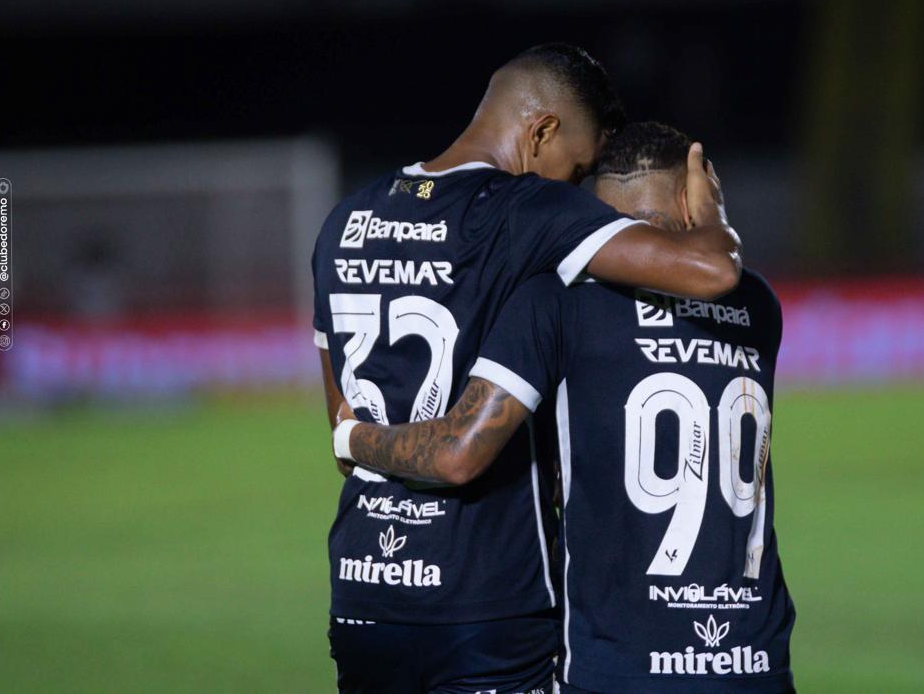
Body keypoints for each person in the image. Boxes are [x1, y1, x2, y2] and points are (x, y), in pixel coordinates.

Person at [312, 44, 743, 694]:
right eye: (577, 168)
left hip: (364, 592)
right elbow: (711, 273)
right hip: (488, 600)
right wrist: (701, 196)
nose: (578, 188)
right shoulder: (525, 211)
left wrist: (354, 438)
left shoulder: (345, 221)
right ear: (542, 131)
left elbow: (343, 431)